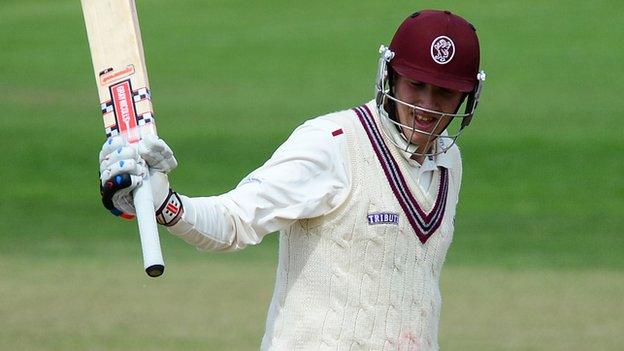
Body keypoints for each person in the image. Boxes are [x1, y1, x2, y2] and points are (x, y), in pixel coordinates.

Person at [99, 9, 486, 351]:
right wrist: (167, 205)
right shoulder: (333, 144)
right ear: (390, 75)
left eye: (445, 93)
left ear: (466, 100)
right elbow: (236, 220)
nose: (426, 106)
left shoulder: (449, 161)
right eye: (416, 85)